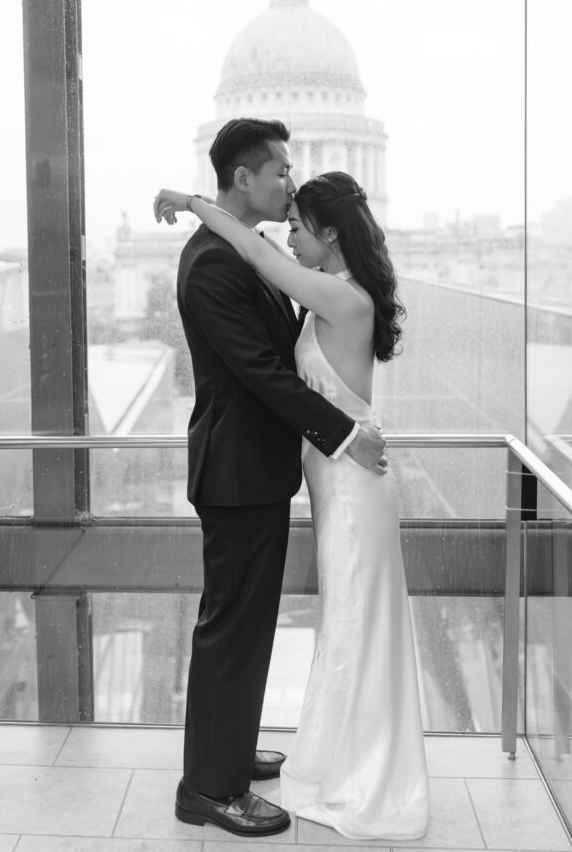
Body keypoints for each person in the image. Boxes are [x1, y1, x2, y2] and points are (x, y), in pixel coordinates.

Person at [155, 140, 430, 841]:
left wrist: (194, 205)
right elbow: (259, 369)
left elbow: (266, 267)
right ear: (242, 178)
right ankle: (211, 786)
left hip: (332, 485)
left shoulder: (328, 289)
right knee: (240, 629)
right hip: (254, 474)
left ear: (329, 232)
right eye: (279, 171)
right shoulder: (221, 262)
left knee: (312, 625)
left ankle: (265, 755)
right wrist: (195, 206)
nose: (288, 191)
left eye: (302, 217)